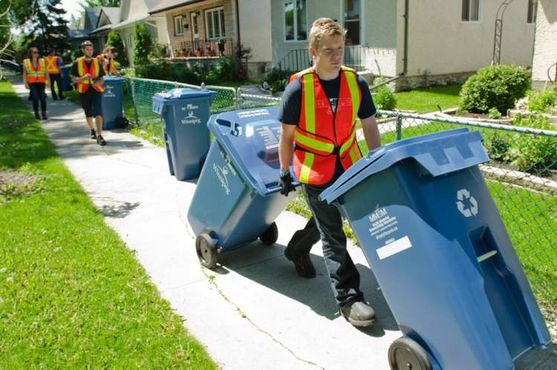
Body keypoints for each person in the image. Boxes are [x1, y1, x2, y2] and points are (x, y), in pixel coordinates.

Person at [278, 18, 381, 328]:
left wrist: (375, 160)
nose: (337, 56)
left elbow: (370, 125)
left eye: (340, 49)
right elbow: (286, 136)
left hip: (349, 165)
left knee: (329, 222)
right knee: (334, 235)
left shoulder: (355, 82)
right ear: (313, 51)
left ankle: (297, 248)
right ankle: (349, 298)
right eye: (328, 51)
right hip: (314, 168)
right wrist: (284, 172)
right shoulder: (299, 88)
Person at [71, 40, 106, 146]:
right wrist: (83, 78)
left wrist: (98, 82)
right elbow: (74, 79)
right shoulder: (77, 62)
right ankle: (92, 129)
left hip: (96, 90)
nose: (90, 51)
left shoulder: (97, 62)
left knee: (98, 112)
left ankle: (99, 135)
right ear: (83, 50)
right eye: (87, 49)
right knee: (88, 112)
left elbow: (102, 78)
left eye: (91, 49)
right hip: (84, 90)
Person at [23, 47, 48, 120]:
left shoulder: (42, 61)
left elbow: (46, 72)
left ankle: (44, 113)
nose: (36, 54)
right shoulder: (26, 61)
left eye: (37, 52)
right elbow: (25, 73)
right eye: (34, 52)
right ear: (30, 53)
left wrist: (48, 82)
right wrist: (25, 83)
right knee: (35, 98)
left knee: (43, 98)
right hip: (32, 82)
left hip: (41, 82)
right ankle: (36, 113)